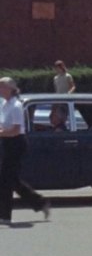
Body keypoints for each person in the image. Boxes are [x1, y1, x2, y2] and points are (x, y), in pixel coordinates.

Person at [0, 77, 51, 223]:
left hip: (16, 144)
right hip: (7, 142)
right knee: (11, 180)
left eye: (1, 87)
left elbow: (16, 130)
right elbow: (4, 125)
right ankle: (40, 203)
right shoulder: (4, 104)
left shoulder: (16, 105)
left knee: (5, 180)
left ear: (10, 89)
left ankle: (4, 216)